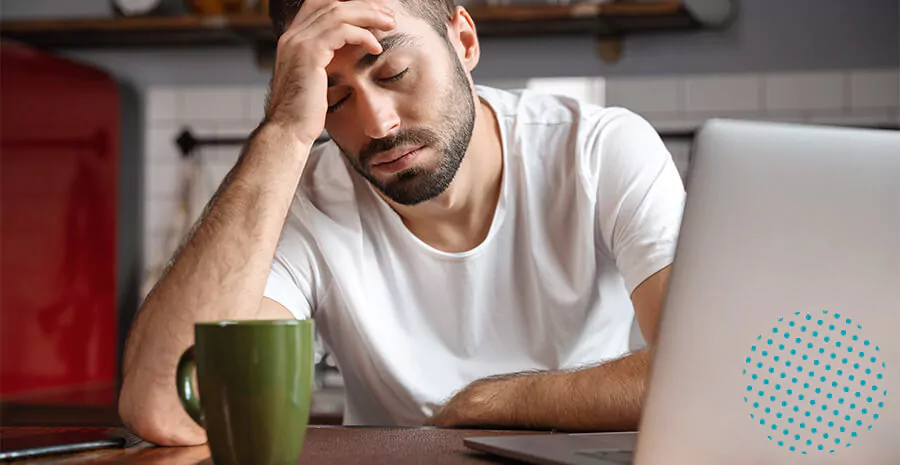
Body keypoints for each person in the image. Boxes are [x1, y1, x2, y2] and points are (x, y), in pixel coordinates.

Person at [118, 0, 685, 446]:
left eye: (394, 72)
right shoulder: (302, 198)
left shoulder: (599, 150)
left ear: (463, 41)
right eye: (333, 100)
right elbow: (165, 408)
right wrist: (284, 130)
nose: (378, 125)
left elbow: (707, 368)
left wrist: (496, 403)